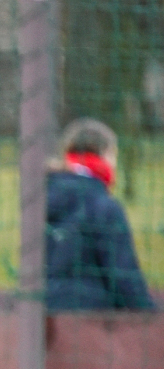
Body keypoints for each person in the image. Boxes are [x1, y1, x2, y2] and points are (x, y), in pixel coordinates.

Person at [46, 118, 156, 311]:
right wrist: (152, 316)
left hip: (42, 313)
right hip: (93, 317)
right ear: (105, 154)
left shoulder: (41, 201)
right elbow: (124, 278)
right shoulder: (104, 208)